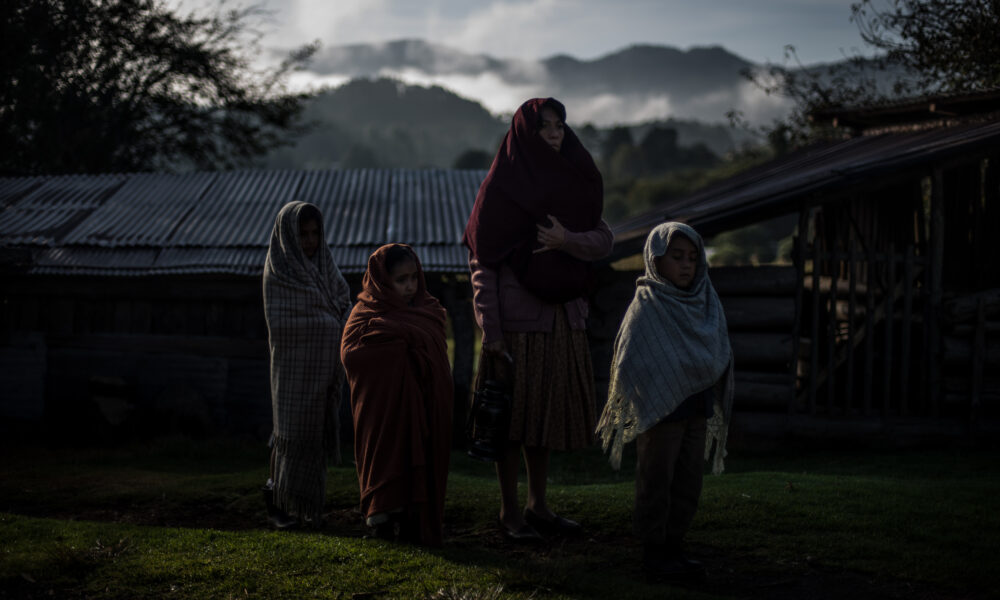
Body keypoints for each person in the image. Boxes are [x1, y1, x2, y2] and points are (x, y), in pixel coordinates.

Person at [463, 97, 613, 541]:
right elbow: (482, 265)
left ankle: (539, 506)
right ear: (525, 133)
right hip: (517, 326)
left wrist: (567, 240)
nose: (554, 133)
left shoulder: (574, 181)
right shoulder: (501, 188)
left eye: (560, 126)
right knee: (512, 421)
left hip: (563, 318)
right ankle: (510, 514)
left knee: (541, 420)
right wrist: (491, 333)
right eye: (544, 126)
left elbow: (605, 240)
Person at [596, 222, 734, 583]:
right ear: (655, 259)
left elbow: (717, 347)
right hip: (660, 412)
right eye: (677, 257)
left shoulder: (706, 300)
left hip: (697, 407)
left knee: (688, 481)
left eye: (692, 257)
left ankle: (675, 546)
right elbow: (630, 360)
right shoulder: (647, 305)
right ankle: (653, 551)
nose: (686, 265)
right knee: (657, 478)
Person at [340, 244, 454, 546]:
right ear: (381, 280)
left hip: (423, 406)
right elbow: (350, 354)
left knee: (418, 457)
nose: (409, 286)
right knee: (388, 454)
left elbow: (439, 362)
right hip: (383, 412)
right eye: (401, 280)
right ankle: (382, 520)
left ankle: (414, 523)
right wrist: (393, 343)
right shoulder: (365, 313)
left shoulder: (428, 311)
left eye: (413, 278)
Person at [262, 201, 352, 529]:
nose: (311, 241)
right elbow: (285, 324)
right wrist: (328, 323)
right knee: (287, 436)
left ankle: (305, 507)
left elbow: (345, 304)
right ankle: (279, 504)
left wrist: (335, 321)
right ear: (288, 236)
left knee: (310, 439)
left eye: (315, 233)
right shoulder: (280, 271)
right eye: (303, 234)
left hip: (321, 375)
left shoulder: (325, 266)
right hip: (292, 372)